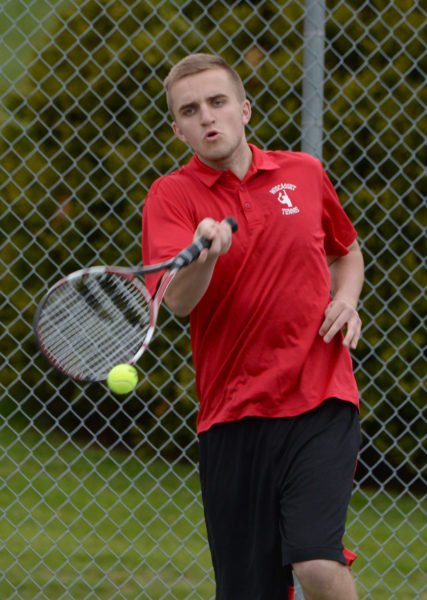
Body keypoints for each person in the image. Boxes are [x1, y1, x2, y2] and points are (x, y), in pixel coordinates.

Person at [142, 53, 364, 600]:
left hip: (320, 398)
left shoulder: (304, 173)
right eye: (190, 110)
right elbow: (178, 302)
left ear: (243, 109)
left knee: (316, 561)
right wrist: (207, 255)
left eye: (217, 102)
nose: (207, 117)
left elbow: (347, 250)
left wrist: (348, 299)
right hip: (232, 414)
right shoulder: (170, 197)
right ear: (178, 129)